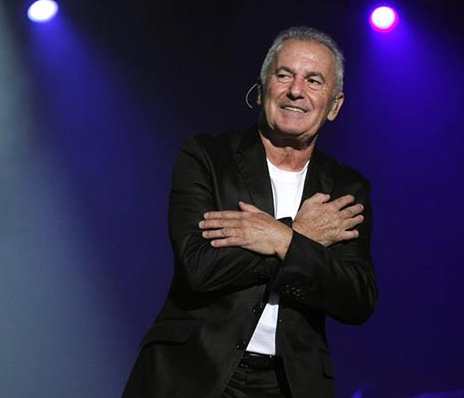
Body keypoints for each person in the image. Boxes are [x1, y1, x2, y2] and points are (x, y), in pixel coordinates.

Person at [123, 26, 378, 398]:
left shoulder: (345, 188)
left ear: (334, 105)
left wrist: (280, 238)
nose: (296, 91)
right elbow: (199, 268)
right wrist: (298, 236)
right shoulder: (207, 157)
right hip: (193, 371)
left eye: (313, 80)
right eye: (284, 75)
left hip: (288, 383)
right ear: (261, 90)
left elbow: (357, 298)